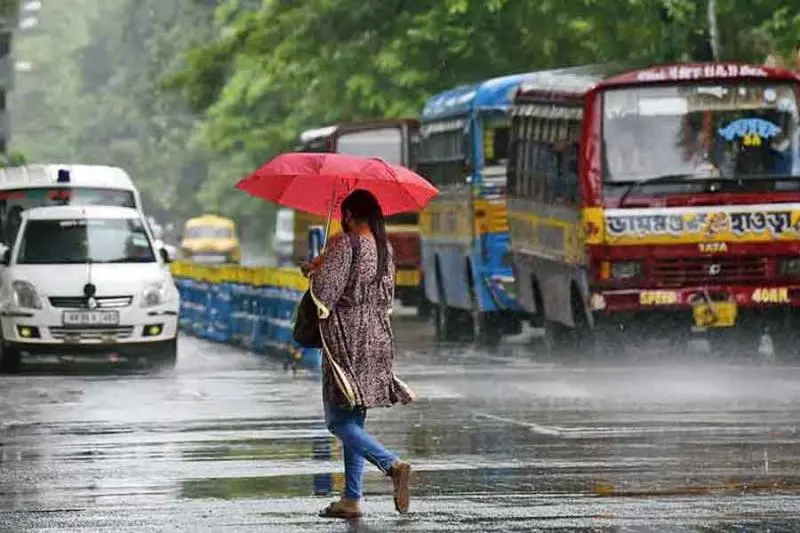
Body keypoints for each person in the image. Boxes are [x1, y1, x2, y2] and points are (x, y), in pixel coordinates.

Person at [301, 189, 415, 519]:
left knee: (337, 420)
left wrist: (315, 270)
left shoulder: (346, 245)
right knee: (354, 418)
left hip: (346, 340)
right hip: (378, 338)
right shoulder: (384, 249)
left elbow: (324, 296)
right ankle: (351, 497)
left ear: (349, 215)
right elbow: (386, 295)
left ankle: (391, 464)